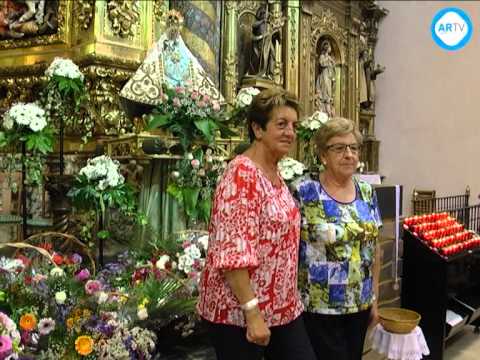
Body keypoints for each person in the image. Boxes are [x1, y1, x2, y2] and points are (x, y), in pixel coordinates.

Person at [197, 88, 316, 360]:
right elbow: (233, 253)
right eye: (281, 124)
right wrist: (252, 312)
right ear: (257, 129)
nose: (290, 132)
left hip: (281, 308)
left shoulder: (273, 172)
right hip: (239, 313)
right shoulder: (242, 174)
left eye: (294, 126)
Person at [292, 117, 382, 360]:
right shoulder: (304, 191)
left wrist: (374, 298)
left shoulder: (366, 192)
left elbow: (374, 249)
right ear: (323, 155)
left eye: (353, 148)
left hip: (358, 303)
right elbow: (288, 249)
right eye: (339, 148)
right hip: (318, 306)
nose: (349, 154)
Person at [315, 39, 336, 117]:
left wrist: (332, 63)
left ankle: (328, 107)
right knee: (325, 90)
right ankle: (324, 107)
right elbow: (322, 63)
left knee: (329, 91)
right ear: (326, 48)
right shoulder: (322, 56)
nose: (330, 48)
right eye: (329, 46)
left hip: (330, 76)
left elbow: (333, 67)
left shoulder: (331, 58)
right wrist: (328, 59)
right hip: (324, 76)